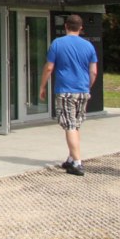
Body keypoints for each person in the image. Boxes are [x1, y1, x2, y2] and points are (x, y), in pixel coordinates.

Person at [39, 14, 98, 176]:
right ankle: (72, 158)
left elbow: (49, 67)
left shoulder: (58, 43)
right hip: (82, 91)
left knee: (70, 126)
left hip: (65, 91)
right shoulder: (89, 46)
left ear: (66, 26)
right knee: (76, 125)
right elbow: (93, 71)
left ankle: (77, 163)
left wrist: (42, 86)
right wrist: (87, 88)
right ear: (81, 28)